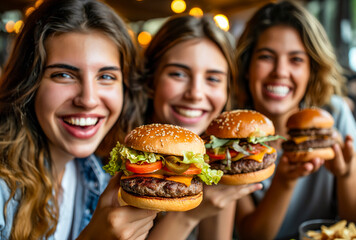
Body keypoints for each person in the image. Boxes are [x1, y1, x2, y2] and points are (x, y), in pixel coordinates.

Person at [0, 0, 157, 239]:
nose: (88, 99)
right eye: (63, 75)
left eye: (106, 76)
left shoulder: (97, 174)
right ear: (29, 84)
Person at [233, 1, 356, 239]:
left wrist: (346, 174)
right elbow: (251, 235)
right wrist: (285, 180)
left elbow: (355, 224)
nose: (280, 71)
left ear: (311, 70)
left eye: (296, 59)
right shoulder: (232, 135)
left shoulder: (333, 114)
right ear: (247, 66)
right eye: (266, 57)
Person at [141, 14, 262, 240]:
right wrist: (188, 216)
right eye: (178, 74)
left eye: (213, 79)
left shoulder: (216, 161)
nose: (195, 94)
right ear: (151, 81)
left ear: (227, 92)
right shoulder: (125, 162)